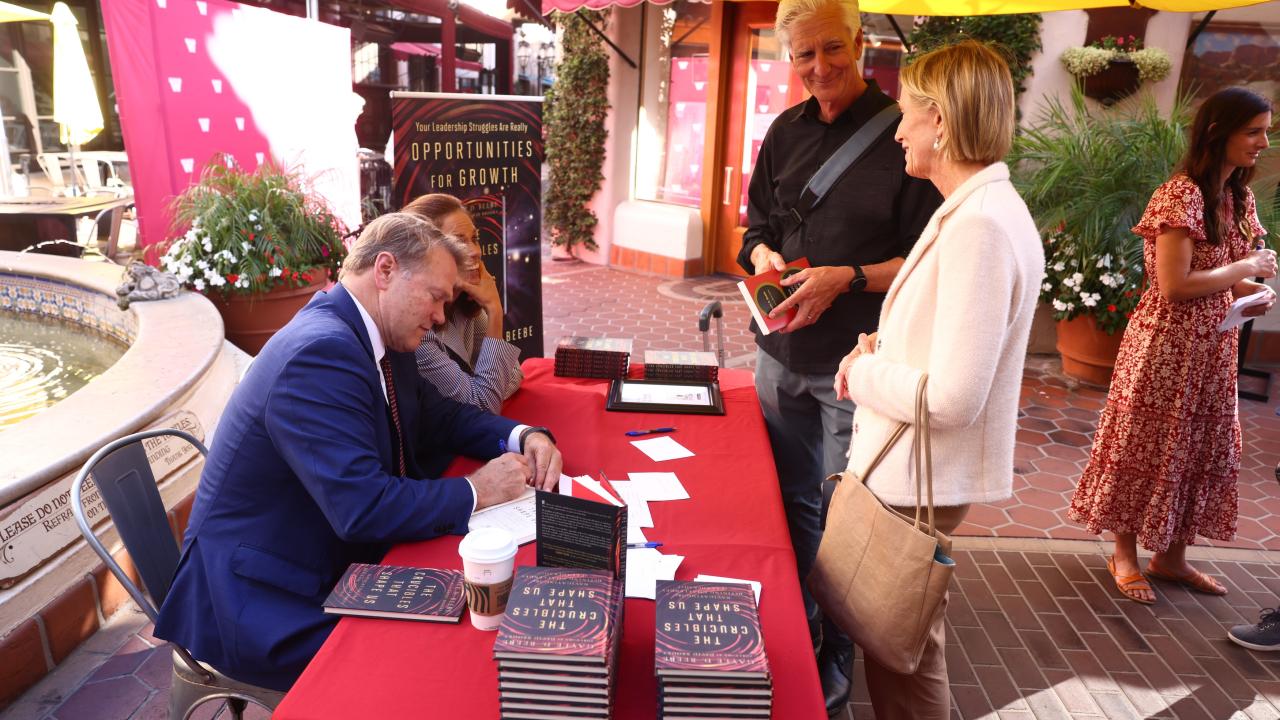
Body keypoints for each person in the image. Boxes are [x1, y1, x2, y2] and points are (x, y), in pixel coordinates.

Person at [153, 213, 563, 692]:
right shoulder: (319, 353)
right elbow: (362, 507)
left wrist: (524, 435)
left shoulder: (377, 337)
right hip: (256, 601)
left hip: (320, 559)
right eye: (435, 297)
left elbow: (444, 416)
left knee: (463, 620)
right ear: (385, 270)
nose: (437, 317)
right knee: (432, 665)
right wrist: (477, 489)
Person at [737, 0, 941, 710]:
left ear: (860, 42)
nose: (818, 68)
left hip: (855, 371)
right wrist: (760, 252)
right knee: (784, 509)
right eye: (802, 56)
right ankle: (792, 637)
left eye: (831, 49)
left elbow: (923, 257)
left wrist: (845, 279)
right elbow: (752, 227)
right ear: (786, 57)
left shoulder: (905, 137)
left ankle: (831, 677)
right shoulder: (783, 131)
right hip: (778, 355)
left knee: (843, 523)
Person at [831, 41, 1042, 719]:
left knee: (903, 659)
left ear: (943, 122)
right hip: (916, 472)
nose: (898, 132)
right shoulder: (976, 208)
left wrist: (865, 373)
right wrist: (886, 345)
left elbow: (954, 395)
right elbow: (947, 346)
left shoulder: (979, 223)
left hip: (915, 478)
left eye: (908, 116)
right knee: (906, 650)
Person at [1069, 87, 1278, 605]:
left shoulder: (1239, 198)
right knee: (1142, 444)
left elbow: (1225, 281)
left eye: (1265, 130)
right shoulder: (1179, 194)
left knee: (1200, 448)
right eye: (1253, 131)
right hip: (1165, 347)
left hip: (1215, 345)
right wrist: (1243, 269)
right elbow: (1174, 285)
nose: (1264, 142)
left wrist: (1254, 291)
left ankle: (1172, 558)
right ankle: (1124, 553)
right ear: (1218, 133)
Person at [403, 193, 523, 414]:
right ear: (424, 252)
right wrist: (495, 310)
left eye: (474, 238)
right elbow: (484, 405)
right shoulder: (419, 327)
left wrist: (484, 385)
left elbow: (513, 373)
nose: (475, 251)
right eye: (459, 240)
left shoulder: (463, 304)